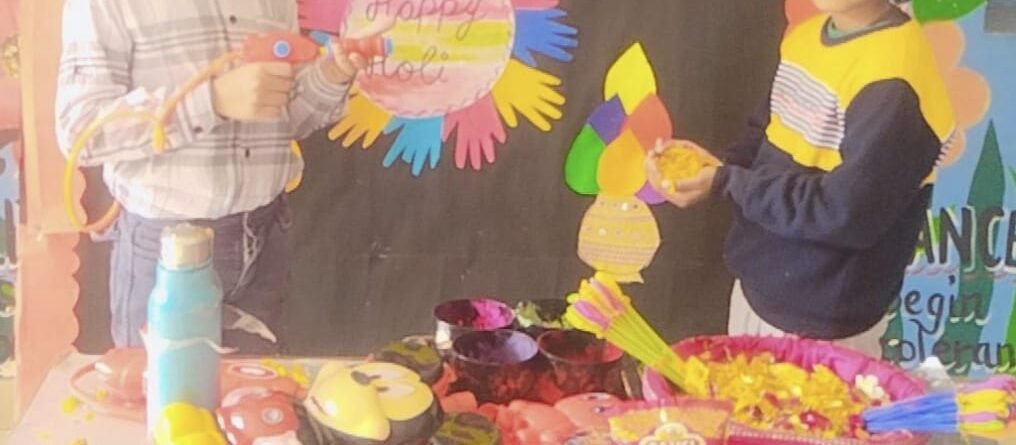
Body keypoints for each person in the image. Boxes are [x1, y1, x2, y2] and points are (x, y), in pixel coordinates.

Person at [55, 0, 369, 353]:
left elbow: (283, 119)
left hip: (266, 233)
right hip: (168, 246)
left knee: (257, 384)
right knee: (167, 386)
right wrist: (213, 100)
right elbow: (80, 130)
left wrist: (332, 74)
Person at [647, 0, 954, 358]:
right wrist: (709, 168)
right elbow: (763, 133)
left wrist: (727, 180)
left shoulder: (895, 78)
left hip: (821, 318)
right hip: (759, 285)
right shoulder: (806, 38)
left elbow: (846, 213)